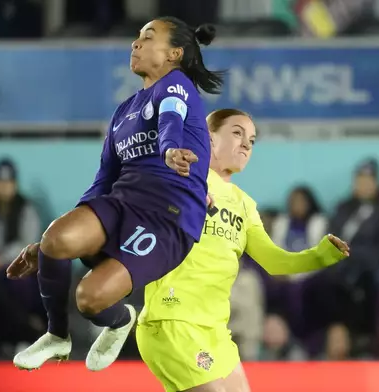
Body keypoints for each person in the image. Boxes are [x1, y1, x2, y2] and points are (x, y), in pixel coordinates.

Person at [6, 16, 223, 371]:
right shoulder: (124, 111)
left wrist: (169, 150)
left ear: (174, 54)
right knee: (56, 238)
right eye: (137, 38)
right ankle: (57, 336)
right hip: (120, 202)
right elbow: (104, 178)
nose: (136, 44)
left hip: (166, 218)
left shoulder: (176, 85)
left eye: (148, 38)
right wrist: (49, 250)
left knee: (89, 299)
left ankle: (121, 320)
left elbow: (172, 118)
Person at [135, 109, 350, 392]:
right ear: (209, 138)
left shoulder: (244, 205)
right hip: (173, 321)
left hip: (215, 332)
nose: (247, 143)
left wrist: (321, 255)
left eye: (252, 139)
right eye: (237, 133)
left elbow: (275, 262)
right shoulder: (181, 180)